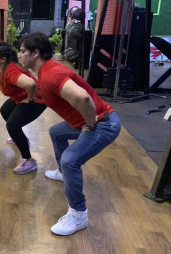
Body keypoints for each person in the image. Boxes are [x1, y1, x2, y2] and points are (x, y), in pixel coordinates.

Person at [18, 32, 121, 235]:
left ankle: (78, 215)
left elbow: (82, 98)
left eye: (22, 51)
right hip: (89, 120)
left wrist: (91, 123)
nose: (19, 55)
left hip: (103, 123)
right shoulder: (45, 71)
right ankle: (64, 175)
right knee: (56, 132)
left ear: (35, 53)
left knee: (70, 161)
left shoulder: (51, 75)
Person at [0, 41, 47, 174]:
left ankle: (29, 160)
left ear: (3, 59)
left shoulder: (11, 71)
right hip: (21, 97)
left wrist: (31, 99)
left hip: (39, 99)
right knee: (5, 110)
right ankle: (20, 138)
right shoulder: (0, 67)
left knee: (13, 125)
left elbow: (31, 84)